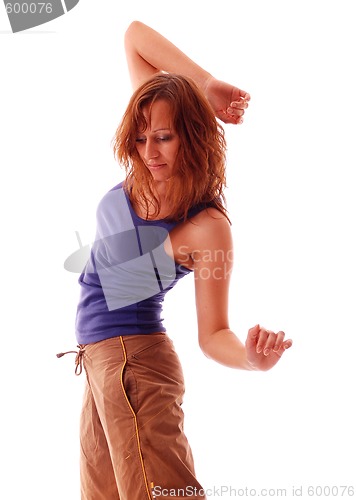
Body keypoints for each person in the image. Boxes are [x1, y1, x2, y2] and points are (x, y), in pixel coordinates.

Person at [60, 20, 292, 500]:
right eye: (140, 139)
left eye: (163, 138)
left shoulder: (208, 227)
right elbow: (135, 36)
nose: (148, 152)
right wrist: (207, 86)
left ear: (191, 135)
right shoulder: (152, 130)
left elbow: (213, 335)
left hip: (137, 365)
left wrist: (252, 360)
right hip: (100, 363)